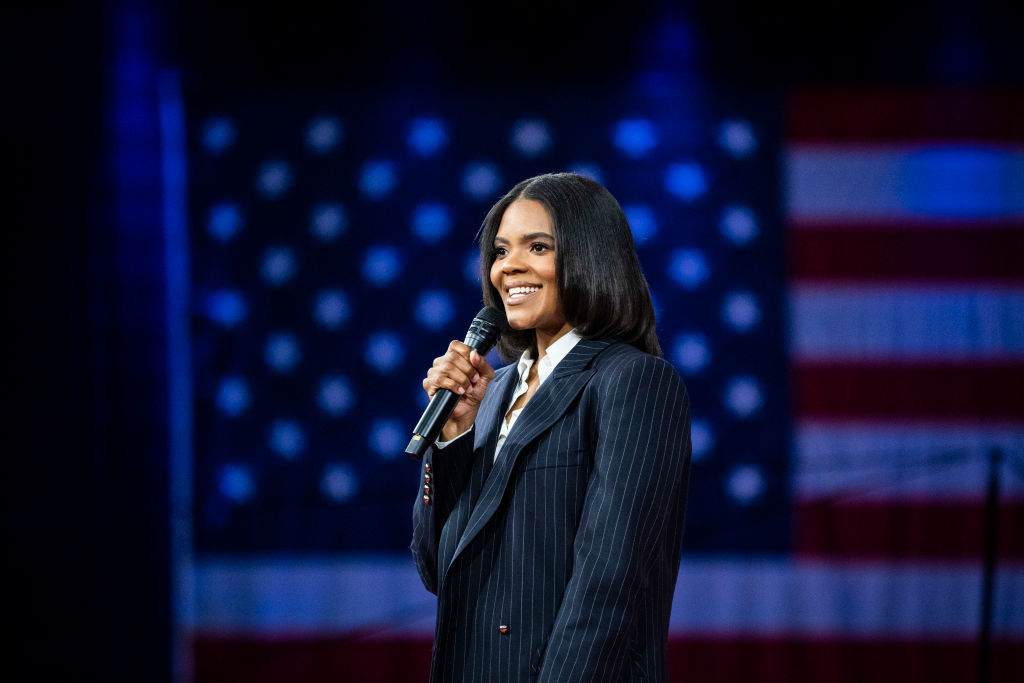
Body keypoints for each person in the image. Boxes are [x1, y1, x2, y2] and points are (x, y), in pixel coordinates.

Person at [411, 172, 692, 682]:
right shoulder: (489, 393)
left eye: (537, 247)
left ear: (591, 257)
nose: (509, 266)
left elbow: (609, 585)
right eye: (500, 251)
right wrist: (454, 437)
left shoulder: (633, 381)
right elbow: (438, 571)